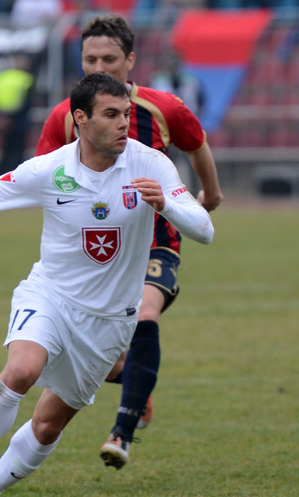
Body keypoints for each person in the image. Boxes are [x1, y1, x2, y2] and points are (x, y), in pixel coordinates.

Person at [0, 73, 214, 497]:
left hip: (110, 322)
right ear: (80, 119)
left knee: (48, 425)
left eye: (126, 114)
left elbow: (204, 229)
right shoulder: (50, 170)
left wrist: (167, 204)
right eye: (111, 114)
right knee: (21, 371)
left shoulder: (152, 164)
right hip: (50, 295)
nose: (123, 124)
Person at [35, 14, 223, 470]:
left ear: (131, 60)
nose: (99, 66)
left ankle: (122, 430)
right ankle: (135, 381)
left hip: (158, 240)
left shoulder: (162, 107)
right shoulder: (66, 116)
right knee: (94, 350)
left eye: (110, 58)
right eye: (90, 59)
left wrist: (211, 195)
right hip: (97, 253)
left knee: (145, 313)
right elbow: (43, 178)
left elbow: (196, 143)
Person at [0, 55, 36, 177]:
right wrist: (10, 117)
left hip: (0, 119)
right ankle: (16, 177)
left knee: (4, 151)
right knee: (17, 152)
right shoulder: (25, 79)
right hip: (18, 121)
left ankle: (0, 177)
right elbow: (25, 102)